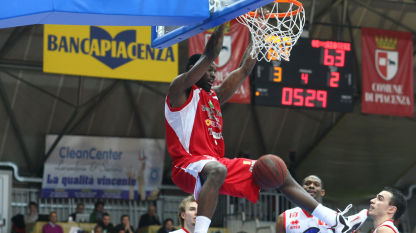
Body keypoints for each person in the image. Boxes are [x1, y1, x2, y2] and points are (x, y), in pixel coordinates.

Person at [164, 23, 368, 233]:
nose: (214, 74)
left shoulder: (213, 97)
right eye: (209, 70)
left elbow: (243, 69)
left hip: (216, 166)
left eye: (216, 71)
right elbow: (210, 53)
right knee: (218, 169)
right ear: (193, 71)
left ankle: (334, 220)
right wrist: (222, 20)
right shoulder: (179, 90)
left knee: (276, 168)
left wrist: (257, 36)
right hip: (186, 165)